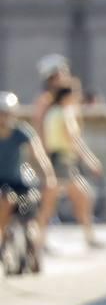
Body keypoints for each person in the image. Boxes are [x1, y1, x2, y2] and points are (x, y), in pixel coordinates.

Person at [42, 79, 105, 249]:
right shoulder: (63, 113)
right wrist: (91, 161)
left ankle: (88, 236)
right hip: (62, 161)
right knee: (52, 202)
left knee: (79, 197)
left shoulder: (54, 112)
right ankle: (40, 241)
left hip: (60, 160)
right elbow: (73, 140)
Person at [0, 92, 58, 251]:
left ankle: (37, 239)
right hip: (1, 184)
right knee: (6, 200)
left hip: (18, 180)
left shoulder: (21, 132)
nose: (4, 118)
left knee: (34, 201)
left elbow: (39, 155)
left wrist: (49, 176)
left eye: (7, 113)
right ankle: (3, 237)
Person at [30, 54, 71, 147]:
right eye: (63, 72)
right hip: (52, 154)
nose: (67, 76)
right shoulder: (44, 100)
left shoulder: (65, 100)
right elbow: (39, 129)